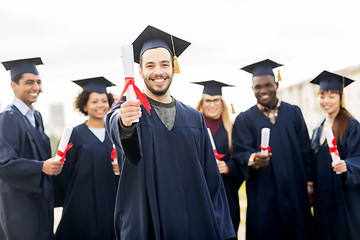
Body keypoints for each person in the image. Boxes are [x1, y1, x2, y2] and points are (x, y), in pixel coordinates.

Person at [106, 25, 236, 240]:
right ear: (140, 71)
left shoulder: (194, 118)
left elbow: (212, 182)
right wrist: (125, 122)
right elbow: (117, 125)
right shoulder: (130, 108)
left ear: (173, 67)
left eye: (164, 64)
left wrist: (224, 231)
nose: (158, 72)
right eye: (150, 65)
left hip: (195, 224)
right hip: (148, 224)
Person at [232, 59, 314, 239]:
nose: (263, 91)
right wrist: (253, 159)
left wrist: (309, 184)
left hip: (295, 190)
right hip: (263, 192)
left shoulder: (294, 113)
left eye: (268, 85)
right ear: (252, 88)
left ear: (276, 85)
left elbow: (305, 151)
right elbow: (239, 152)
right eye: (257, 87)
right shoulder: (244, 119)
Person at [0, 57, 63, 240]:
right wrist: (42, 167)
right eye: (29, 82)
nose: (36, 87)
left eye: (38, 82)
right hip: (19, 206)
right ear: (14, 85)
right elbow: (4, 163)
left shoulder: (36, 116)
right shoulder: (7, 118)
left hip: (39, 200)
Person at [52, 77, 119, 240]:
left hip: (112, 202)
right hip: (82, 204)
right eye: (94, 101)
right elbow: (62, 172)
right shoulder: (74, 134)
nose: (100, 105)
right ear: (85, 105)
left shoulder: (116, 132)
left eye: (104, 101)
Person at [310, 71, 360, 239]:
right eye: (322, 96)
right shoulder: (319, 128)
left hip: (344, 198)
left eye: (332, 96)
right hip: (323, 198)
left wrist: (348, 166)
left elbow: (358, 156)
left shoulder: (352, 125)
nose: (326, 101)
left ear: (340, 97)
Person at [194, 80, 243, 234]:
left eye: (216, 100)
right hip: (200, 192)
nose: (212, 104)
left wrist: (228, 167)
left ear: (222, 103)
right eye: (208, 100)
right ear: (202, 103)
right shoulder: (193, 127)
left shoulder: (233, 128)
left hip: (226, 193)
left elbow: (241, 157)